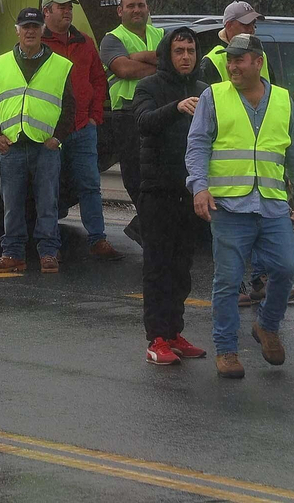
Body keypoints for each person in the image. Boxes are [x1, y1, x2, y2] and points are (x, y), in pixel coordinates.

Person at [186, 33, 294, 379]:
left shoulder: (284, 100)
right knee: (226, 282)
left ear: (258, 62)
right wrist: (199, 187)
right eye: (230, 60)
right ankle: (226, 350)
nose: (232, 66)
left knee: (285, 270)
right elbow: (197, 146)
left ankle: (266, 325)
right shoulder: (214, 97)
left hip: (272, 206)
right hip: (228, 206)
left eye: (240, 60)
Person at [132, 27, 208, 365]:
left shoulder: (205, 90)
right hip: (158, 190)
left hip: (190, 192)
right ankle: (157, 338)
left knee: (182, 267)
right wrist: (176, 107)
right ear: (168, 54)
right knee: (158, 267)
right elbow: (143, 122)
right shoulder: (149, 86)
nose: (186, 57)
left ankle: (175, 331)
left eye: (191, 50)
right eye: (179, 51)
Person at [0, 7, 76, 273]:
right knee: (11, 204)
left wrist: (58, 138)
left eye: (35, 27)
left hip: (44, 147)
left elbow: (70, 106)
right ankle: (12, 253)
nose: (30, 31)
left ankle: (48, 252)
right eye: (25, 27)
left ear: (42, 30)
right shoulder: (1, 64)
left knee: (48, 202)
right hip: (12, 146)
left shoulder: (60, 65)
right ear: (17, 30)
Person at [41, 0, 121, 260]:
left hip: (82, 128)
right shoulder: (38, 44)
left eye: (69, 7)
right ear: (46, 12)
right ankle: (50, 246)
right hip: (50, 130)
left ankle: (98, 239)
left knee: (89, 185)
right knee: (47, 187)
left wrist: (94, 116)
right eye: (60, 7)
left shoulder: (85, 42)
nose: (67, 11)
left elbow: (98, 80)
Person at [100, 0, 163, 244]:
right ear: (120, 11)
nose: (137, 10)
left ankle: (148, 228)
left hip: (158, 111)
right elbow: (124, 69)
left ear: (148, 9)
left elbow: (174, 62)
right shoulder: (112, 39)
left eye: (141, 5)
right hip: (126, 114)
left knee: (159, 175)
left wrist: (139, 57)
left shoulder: (160, 34)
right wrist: (157, 64)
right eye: (131, 6)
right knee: (135, 177)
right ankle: (148, 227)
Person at [198, 1, 272, 86]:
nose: (251, 29)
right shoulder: (213, 60)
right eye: (246, 24)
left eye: (253, 24)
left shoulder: (261, 55)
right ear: (229, 26)